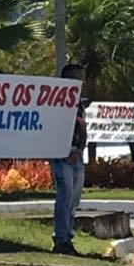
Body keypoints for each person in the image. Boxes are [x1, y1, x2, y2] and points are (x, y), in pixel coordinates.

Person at [50, 63, 88, 255]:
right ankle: (61, 239)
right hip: (61, 155)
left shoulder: (79, 103)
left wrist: (79, 150)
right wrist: (66, 150)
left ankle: (67, 236)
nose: (82, 83)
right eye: (79, 78)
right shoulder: (57, 101)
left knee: (73, 199)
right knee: (65, 196)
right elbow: (55, 128)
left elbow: (82, 129)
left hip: (77, 155)